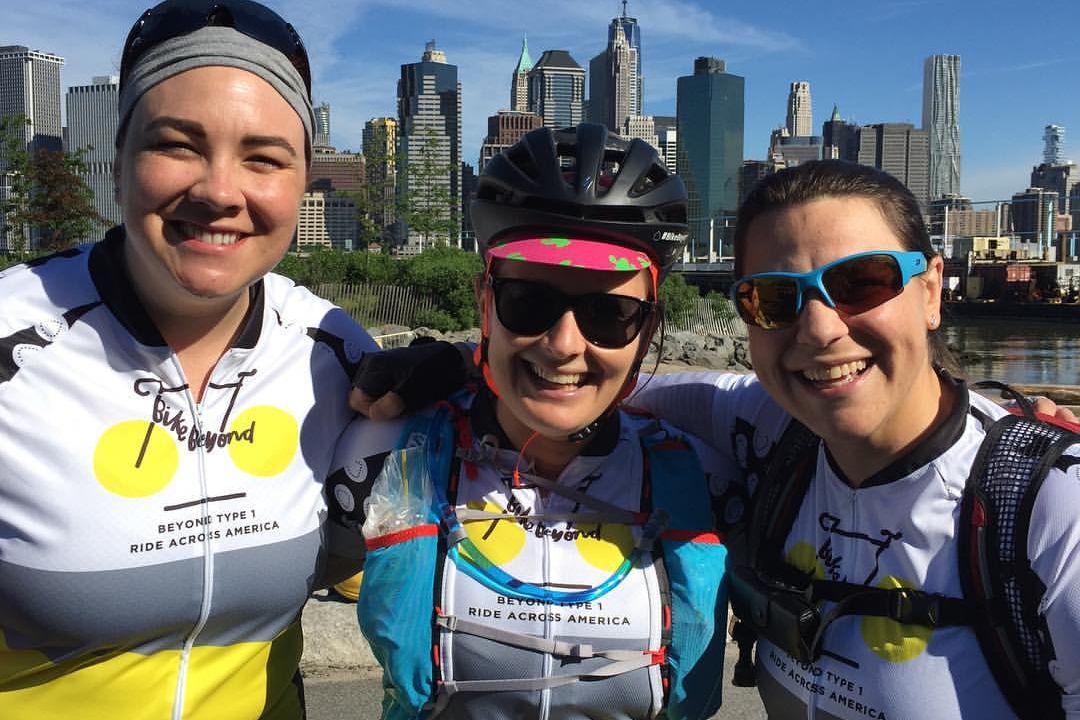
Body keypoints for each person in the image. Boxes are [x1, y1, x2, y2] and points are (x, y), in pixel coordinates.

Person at [0, 1, 380, 717]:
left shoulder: (337, 353)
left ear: (304, 182)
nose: (218, 191)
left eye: (265, 158)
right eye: (177, 144)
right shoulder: (12, 347)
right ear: (118, 162)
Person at [622, 160, 1080, 719]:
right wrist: (485, 369)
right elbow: (616, 389)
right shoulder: (772, 427)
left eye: (861, 282)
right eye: (773, 298)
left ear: (931, 291)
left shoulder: (1051, 507)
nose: (819, 330)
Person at [326, 124, 738, 719]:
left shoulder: (710, 479)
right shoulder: (383, 461)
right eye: (529, 303)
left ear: (648, 329)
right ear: (485, 304)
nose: (564, 345)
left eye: (610, 313)